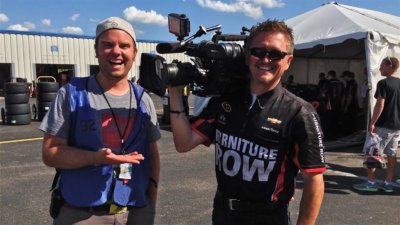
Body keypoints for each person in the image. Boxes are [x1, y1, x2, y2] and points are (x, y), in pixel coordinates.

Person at [168, 19, 326, 225]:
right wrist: (175, 92)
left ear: (288, 61)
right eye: (258, 51)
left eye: (275, 54)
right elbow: (184, 143)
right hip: (223, 213)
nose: (265, 59)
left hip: (267, 217)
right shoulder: (226, 100)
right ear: (247, 56)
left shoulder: (300, 113)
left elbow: (314, 180)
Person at [40, 17, 161, 225]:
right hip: (82, 214)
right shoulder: (70, 94)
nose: (116, 51)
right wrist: (97, 158)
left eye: (124, 46)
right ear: (96, 51)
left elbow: (153, 156)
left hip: (135, 211)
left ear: (134, 53)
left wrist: (151, 203)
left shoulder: (144, 99)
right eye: (107, 45)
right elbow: (50, 153)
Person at [353, 56, 400, 193]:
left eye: (382, 66)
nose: (380, 68)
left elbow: (380, 104)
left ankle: (371, 183)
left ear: (390, 67)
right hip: (396, 126)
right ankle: (388, 183)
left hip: (383, 125)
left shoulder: (383, 83)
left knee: (372, 153)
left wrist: (372, 122)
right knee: (391, 155)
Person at [340, 70, 359, 136]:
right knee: (349, 119)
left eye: (344, 77)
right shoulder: (349, 83)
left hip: (351, 104)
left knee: (351, 119)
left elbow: (350, 96)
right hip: (350, 103)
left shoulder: (352, 83)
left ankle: (350, 134)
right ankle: (349, 133)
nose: (344, 79)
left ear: (347, 76)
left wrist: (346, 107)